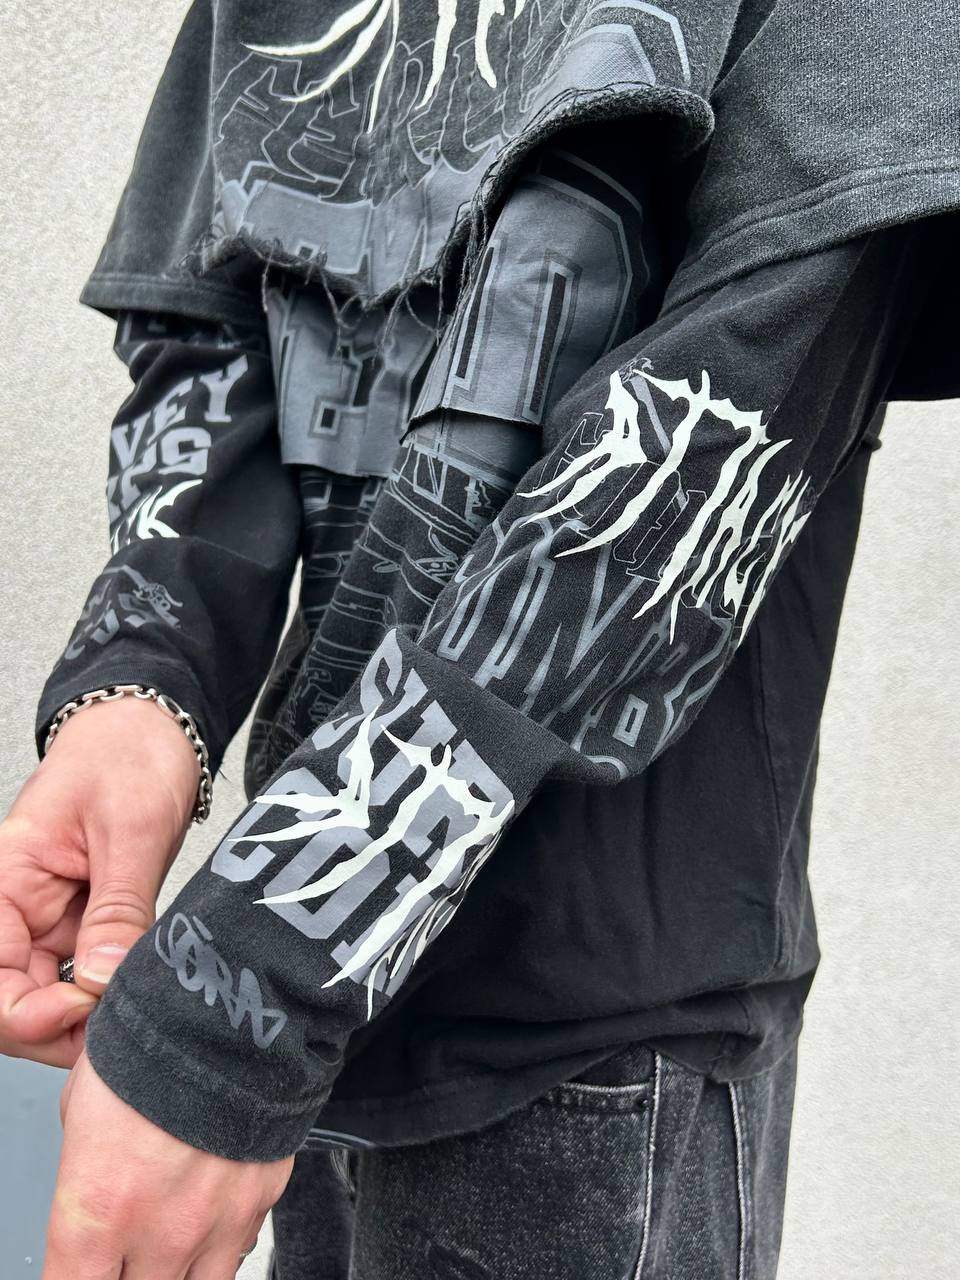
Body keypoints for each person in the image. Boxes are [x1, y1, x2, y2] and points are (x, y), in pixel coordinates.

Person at [1, 2, 957, 1277]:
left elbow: (699, 440)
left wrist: (248, 996)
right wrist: (138, 694)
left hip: (580, 1048)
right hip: (294, 994)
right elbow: (212, 322)